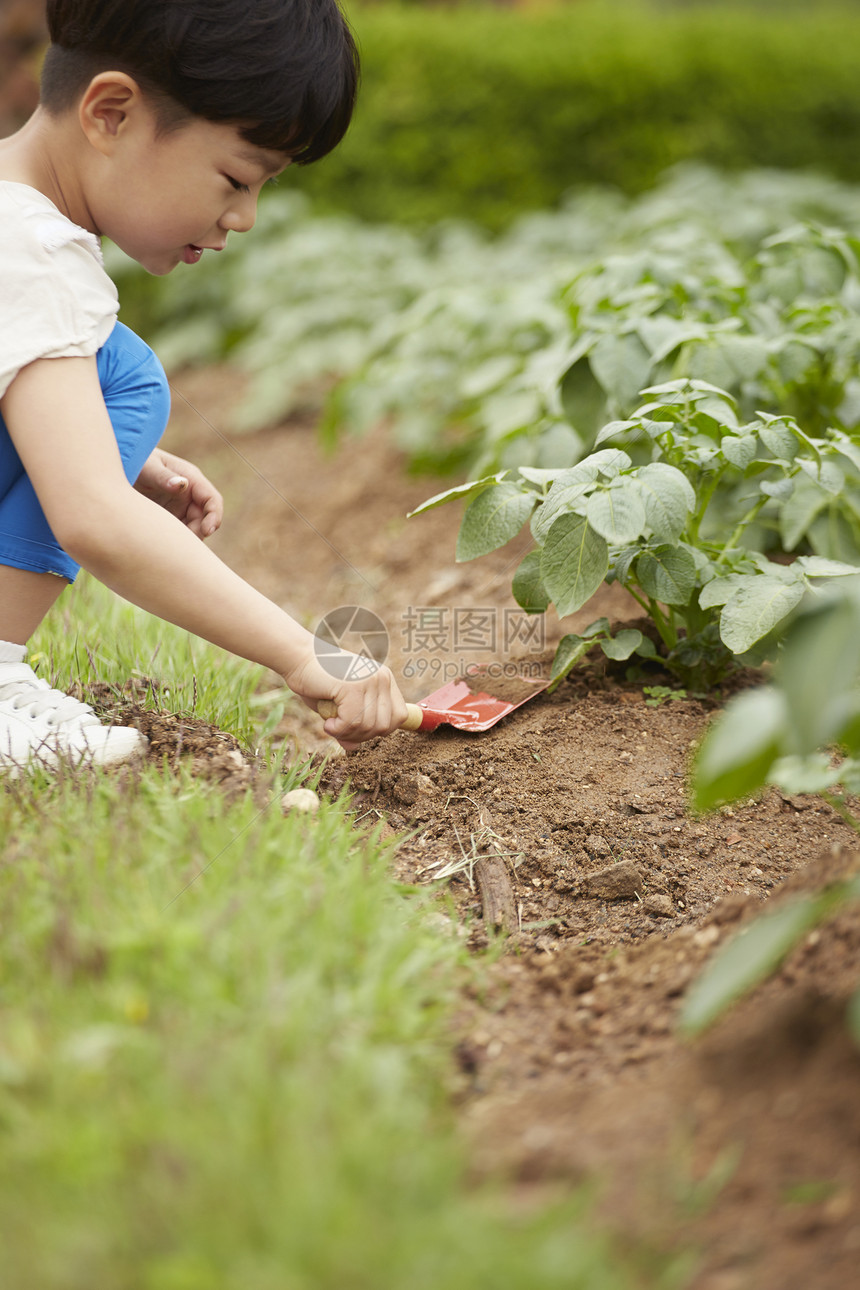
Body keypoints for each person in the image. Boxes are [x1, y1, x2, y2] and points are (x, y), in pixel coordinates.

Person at [0, 0, 408, 771]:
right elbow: (92, 517)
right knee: (128, 376)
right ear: (111, 114)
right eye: (236, 178)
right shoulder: (33, 251)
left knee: (112, 371)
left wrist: (121, 456)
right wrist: (300, 654)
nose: (245, 217)